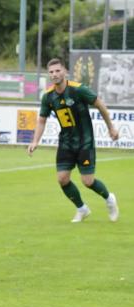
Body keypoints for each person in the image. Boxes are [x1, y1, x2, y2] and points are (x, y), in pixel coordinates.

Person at [27, 58, 120, 223]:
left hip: (85, 141)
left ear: (65, 71)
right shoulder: (48, 97)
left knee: (88, 181)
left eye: (57, 70)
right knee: (62, 179)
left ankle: (109, 199)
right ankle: (82, 209)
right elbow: (42, 120)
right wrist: (35, 141)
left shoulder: (78, 90)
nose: (55, 74)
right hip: (66, 143)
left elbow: (100, 105)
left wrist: (111, 127)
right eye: (51, 72)